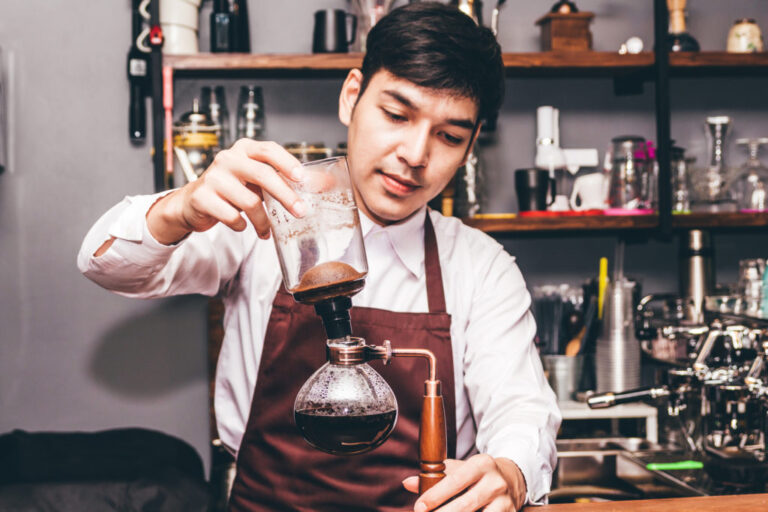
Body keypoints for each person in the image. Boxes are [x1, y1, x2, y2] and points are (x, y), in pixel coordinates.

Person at [78, 3, 560, 511]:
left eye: (449, 136)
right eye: (396, 114)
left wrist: (511, 473)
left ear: (471, 146)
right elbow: (104, 263)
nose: (416, 155)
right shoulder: (262, 218)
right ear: (352, 96)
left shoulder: (481, 267)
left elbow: (522, 413)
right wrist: (181, 207)